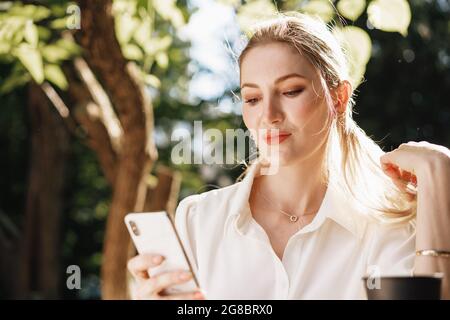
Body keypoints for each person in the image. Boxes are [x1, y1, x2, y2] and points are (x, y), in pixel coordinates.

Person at [127, 12, 450, 300]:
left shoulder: (388, 221)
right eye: (252, 98)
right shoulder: (198, 221)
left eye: (290, 91)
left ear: (338, 97)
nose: (269, 114)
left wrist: (439, 183)